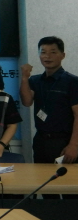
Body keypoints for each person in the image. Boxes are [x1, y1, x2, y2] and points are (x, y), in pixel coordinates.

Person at [20, 36, 78, 164]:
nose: (47, 56)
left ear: (62, 55)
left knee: (66, 176)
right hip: (41, 140)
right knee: (41, 175)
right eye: (43, 52)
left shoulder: (72, 82)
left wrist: (74, 145)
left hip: (64, 141)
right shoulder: (35, 81)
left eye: (53, 52)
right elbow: (27, 102)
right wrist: (24, 78)